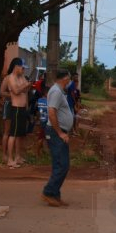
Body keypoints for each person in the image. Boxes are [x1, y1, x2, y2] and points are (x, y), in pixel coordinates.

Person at [42, 70, 74, 207]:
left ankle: (54, 194)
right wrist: (60, 133)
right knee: (62, 165)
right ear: (65, 78)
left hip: (59, 132)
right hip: (56, 133)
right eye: (69, 78)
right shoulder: (56, 91)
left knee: (61, 165)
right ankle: (49, 192)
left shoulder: (59, 91)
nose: (70, 81)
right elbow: (51, 112)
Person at [6, 58, 31, 168]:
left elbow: (25, 90)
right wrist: (25, 86)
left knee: (20, 135)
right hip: (15, 108)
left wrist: (27, 85)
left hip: (22, 108)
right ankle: (10, 159)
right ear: (16, 66)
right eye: (22, 67)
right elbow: (16, 91)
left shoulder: (22, 77)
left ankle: (18, 156)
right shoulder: (10, 78)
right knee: (13, 134)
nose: (24, 70)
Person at [0, 62, 13, 163]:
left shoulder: (20, 78)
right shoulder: (7, 78)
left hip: (17, 106)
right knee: (7, 131)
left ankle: (13, 155)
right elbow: (2, 92)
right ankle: (4, 155)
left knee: (14, 132)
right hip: (9, 105)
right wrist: (12, 94)